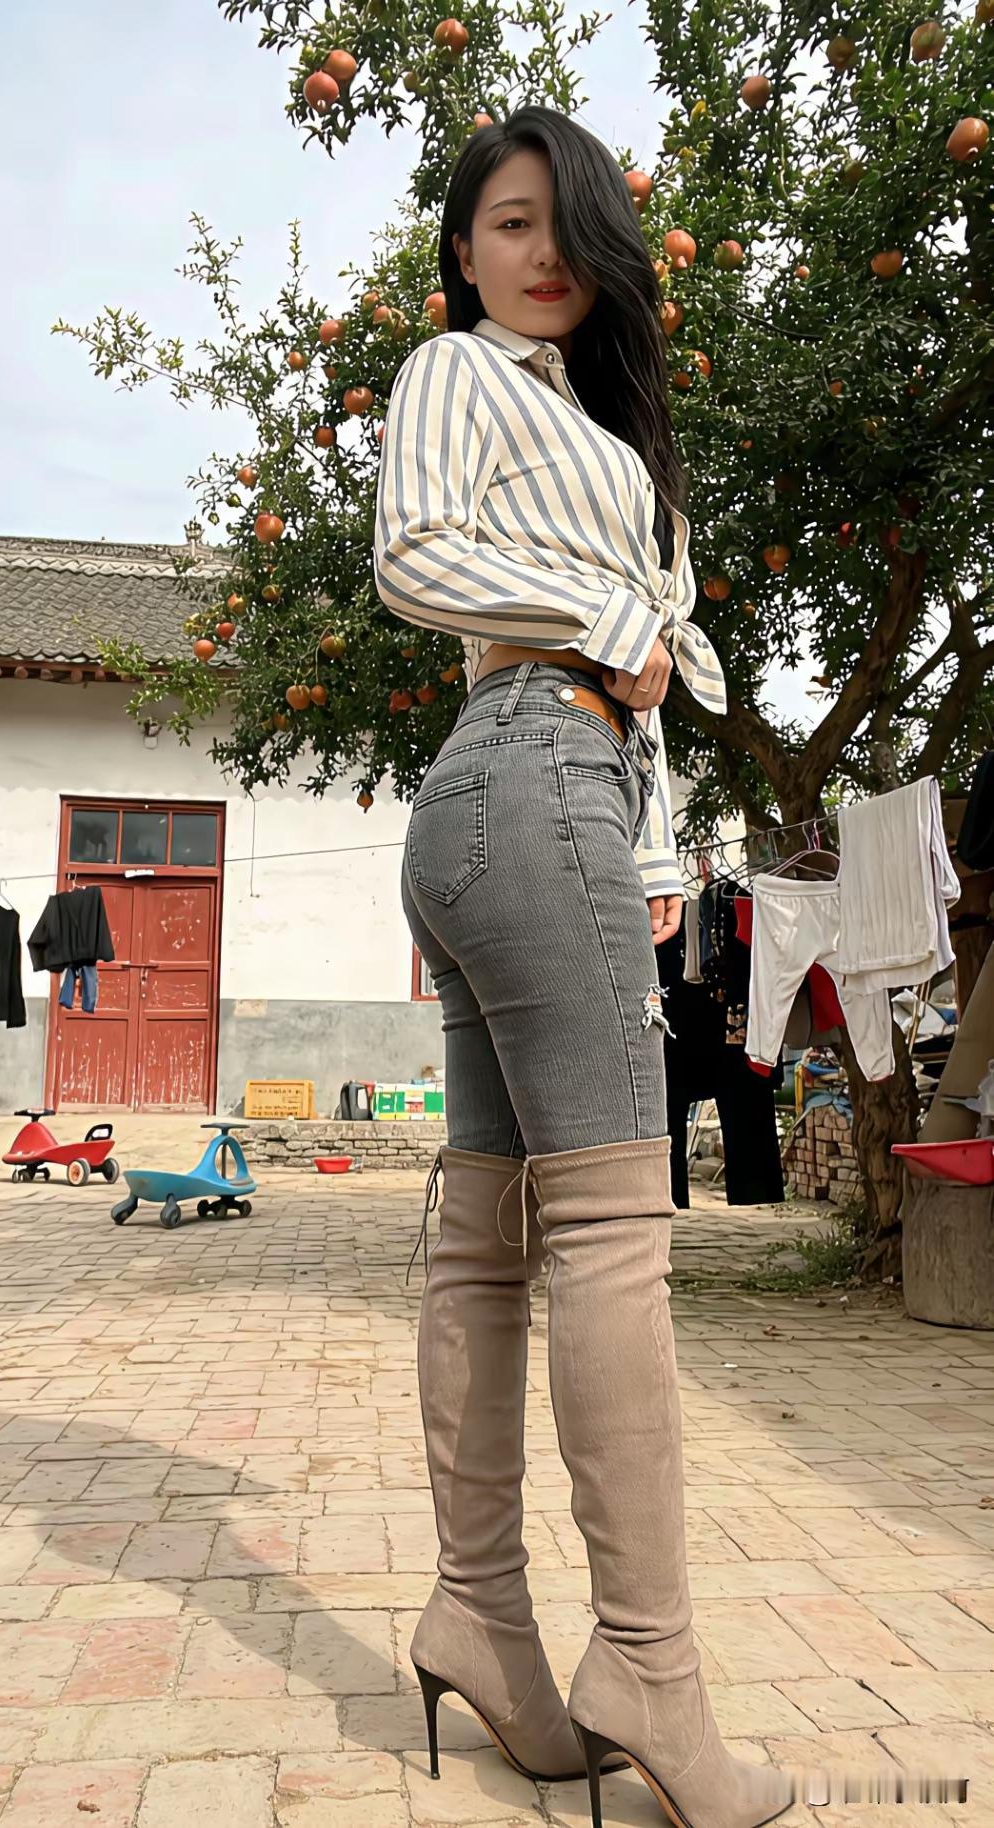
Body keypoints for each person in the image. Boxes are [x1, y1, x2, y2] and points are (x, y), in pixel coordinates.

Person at [373, 106, 795, 1828]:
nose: (542, 252)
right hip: (533, 772)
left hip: (532, 793)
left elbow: (646, 686)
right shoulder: (456, 372)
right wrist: (623, 625)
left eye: (567, 224)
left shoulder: (601, 424)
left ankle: (479, 1618)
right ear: (463, 250)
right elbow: (411, 553)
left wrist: (657, 848)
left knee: (490, 1241)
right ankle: (650, 1669)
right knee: (615, 1234)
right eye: (507, 221)